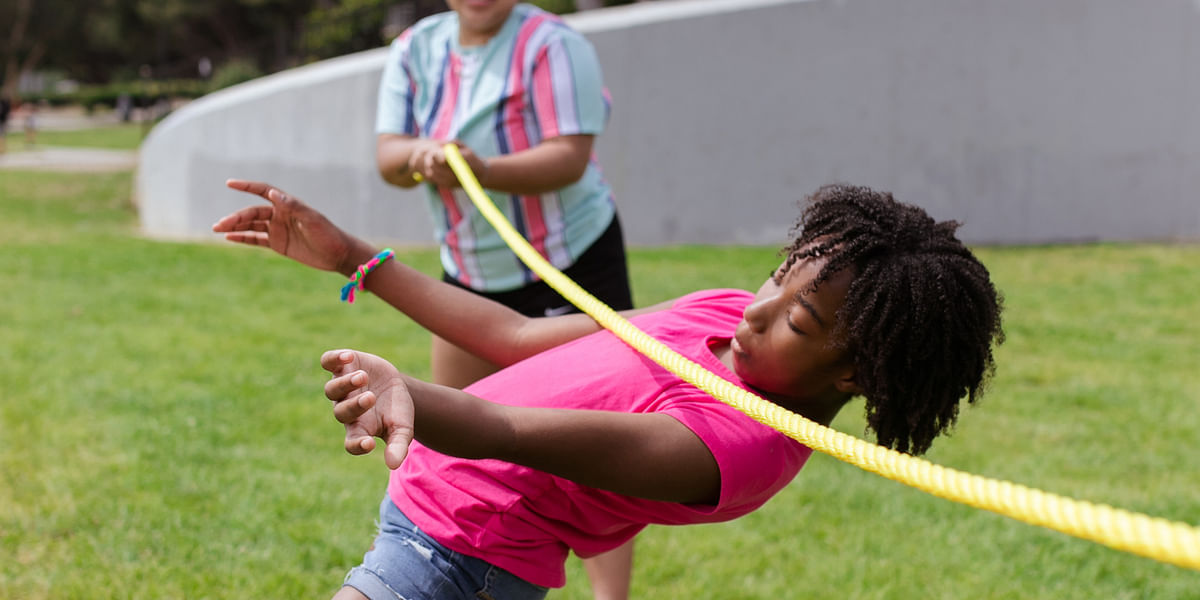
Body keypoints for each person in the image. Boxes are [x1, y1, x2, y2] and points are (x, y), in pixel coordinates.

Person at [213, 179, 1005, 600]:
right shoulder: (727, 316)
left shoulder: (736, 450)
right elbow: (513, 339)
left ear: (855, 373)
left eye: (796, 321)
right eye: (776, 276)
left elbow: (505, 431)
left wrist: (409, 391)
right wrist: (357, 255)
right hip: (432, 522)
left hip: (459, 560)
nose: (752, 311)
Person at [375, 3, 637, 594]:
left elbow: (569, 156)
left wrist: (481, 168)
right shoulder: (415, 49)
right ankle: (448, 577)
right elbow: (388, 155)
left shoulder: (553, 44)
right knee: (451, 442)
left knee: (604, 445)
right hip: (470, 267)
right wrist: (420, 156)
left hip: (569, 262)